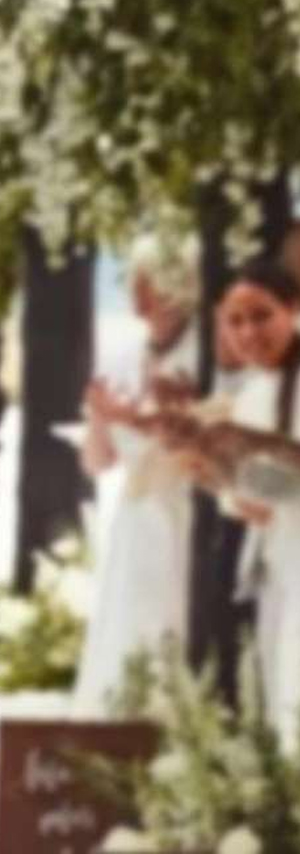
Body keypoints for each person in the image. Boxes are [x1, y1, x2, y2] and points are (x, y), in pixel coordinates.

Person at [162, 261, 300, 746]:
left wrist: (249, 442)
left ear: (293, 309)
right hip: (277, 572)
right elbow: (264, 502)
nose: (248, 332)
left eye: (261, 316)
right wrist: (208, 462)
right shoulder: (255, 393)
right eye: (235, 320)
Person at [73, 236, 200, 714]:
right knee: (126, 627)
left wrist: (130, 416)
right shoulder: (124, 358)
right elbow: (97, 462)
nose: (137, 295)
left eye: (145, 283)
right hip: (134, 516)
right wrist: (98, 415)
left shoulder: (200, 356)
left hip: (185, 511)